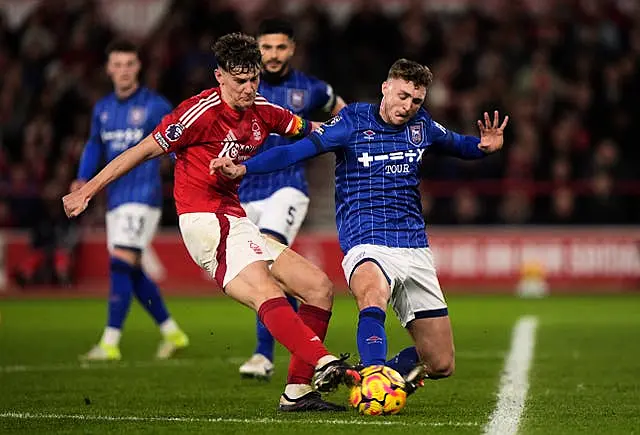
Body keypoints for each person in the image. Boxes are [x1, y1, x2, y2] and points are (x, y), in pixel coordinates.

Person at [63, 33, 359, 411]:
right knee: (265, 291)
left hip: (236, 219)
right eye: (239, 81)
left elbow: (311, 129)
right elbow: (141, 150)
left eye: (253, 79)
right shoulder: (198, 113)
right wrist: (88, 189)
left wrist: (357, 128)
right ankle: (323, 361)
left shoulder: (263, 110)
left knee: (318, 287)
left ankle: (297, 393)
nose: (248, 88)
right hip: (204, 220)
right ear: (219, 77)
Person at [211, 58, 509, 393]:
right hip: (366, 240)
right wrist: (245, 168)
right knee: (372, 293)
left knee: (440, 362)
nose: (408, 106)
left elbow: (459, 144)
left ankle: (378, 376)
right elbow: (296, 152)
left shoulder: (421, 126)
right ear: (386, 87)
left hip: (414, 246)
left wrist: (484, 147)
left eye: (416, 101)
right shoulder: (352, 121)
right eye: (402, 95)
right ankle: (372, 377)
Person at [237, 18, 346, 380]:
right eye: (266, 47)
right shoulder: (244, 87)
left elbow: (342, 114)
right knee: (265, 273)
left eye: (280, 47)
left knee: (267, 261)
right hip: (245, 191)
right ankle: (308, 340)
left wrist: (344, 143)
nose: (272, 54)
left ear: (292, 49)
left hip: (287, 186)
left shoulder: (310, 89)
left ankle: (263, 355)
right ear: (256, 48)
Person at [70, 40, 189, 361]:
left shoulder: (155, 106)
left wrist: (193, 176)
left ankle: (110, 343)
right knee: (130, 270)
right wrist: (83, 178)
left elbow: (180, 145)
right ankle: (172, 333)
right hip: (116, 199)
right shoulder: (103, 108)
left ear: (138, 68)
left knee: (120, 263)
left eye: (129, 64)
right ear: (109, 69)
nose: (123, 71)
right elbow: (95, 144)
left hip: (144, 196)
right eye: (117, 65)